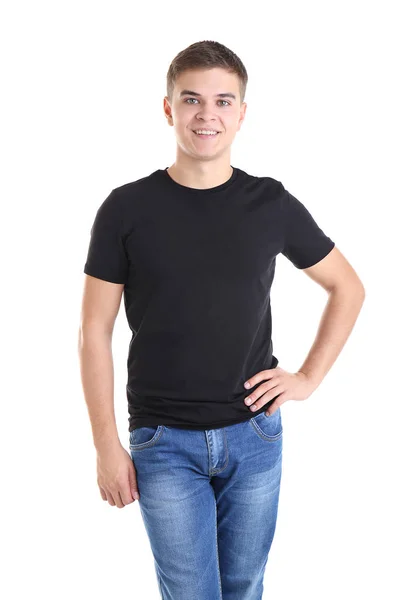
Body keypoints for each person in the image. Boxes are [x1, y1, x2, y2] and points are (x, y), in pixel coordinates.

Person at [78, 40, 365, 600]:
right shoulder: (126, 209)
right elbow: (93, 331)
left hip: (254, 433)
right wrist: (105, 444)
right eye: (191, 99)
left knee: (243, 589)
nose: (207, 114)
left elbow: (346, 287)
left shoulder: (270, 203)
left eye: (223, 101)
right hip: (162, 440)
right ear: (169, 109)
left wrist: (307, 378)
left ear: (241, 114)